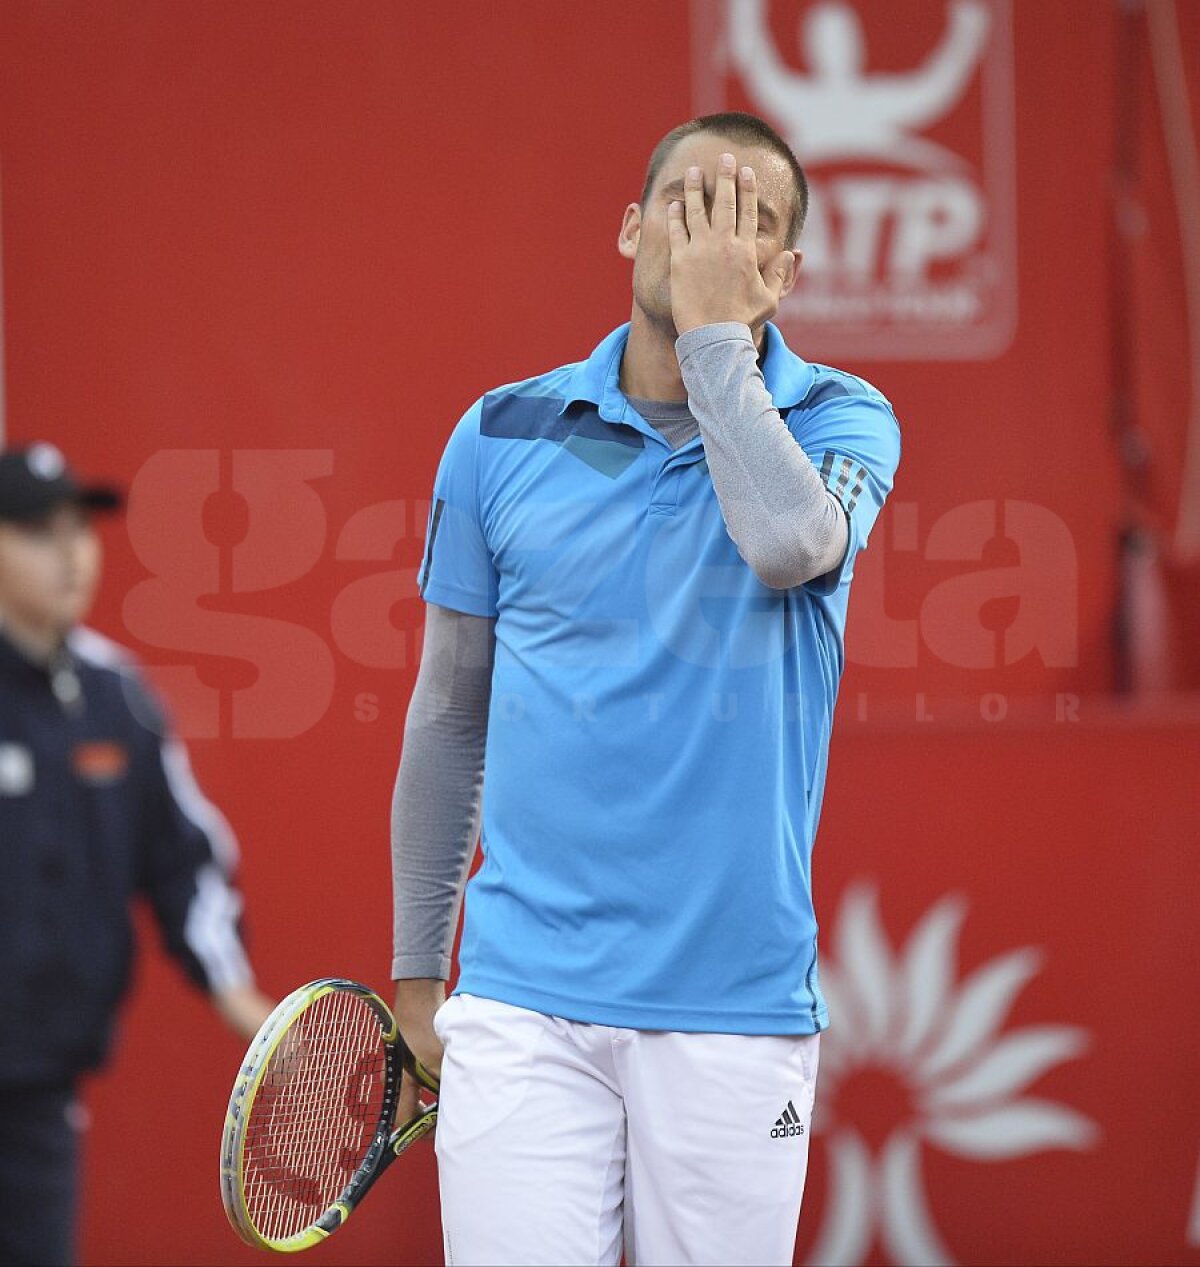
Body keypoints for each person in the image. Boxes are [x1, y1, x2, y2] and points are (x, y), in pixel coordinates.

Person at [390, 111, 900, 1266]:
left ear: (783, 274)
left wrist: (716, 338)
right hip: (523, 1002)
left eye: (745, 219)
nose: (710, 237)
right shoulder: (500, 432)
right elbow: (449, 717)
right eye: (687, 204)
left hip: (735, 1010)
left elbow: (788, 543)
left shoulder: (842, 417)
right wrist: (421, 975)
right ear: (630, 229)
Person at [0, 442, 275, 1267]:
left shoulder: (117, 697)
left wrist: (237, 996)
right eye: (39, 532)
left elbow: (185, 857)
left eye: (79, 530)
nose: (71, 555)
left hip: (40, 1091)